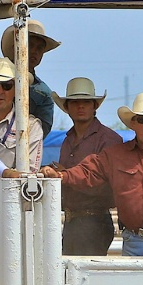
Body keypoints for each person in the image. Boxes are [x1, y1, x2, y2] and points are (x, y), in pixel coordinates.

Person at [43, 92, 143, 257]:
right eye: (142, 120)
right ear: (133, 123)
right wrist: (62, 175)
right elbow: (88, 171)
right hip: (133, 241)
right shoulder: (114, 155)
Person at [51, 77, 122, 256]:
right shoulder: (68, 140)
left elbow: (101, 181)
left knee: (82, 276)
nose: (80, 106)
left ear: (94, 106)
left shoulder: (109, 139)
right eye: (75, 102)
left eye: (85, 102)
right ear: (67, 108)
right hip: (73, 219)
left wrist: (64, 175)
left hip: (94, 219)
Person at [0, 57, 42, 254]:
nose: (0, 91)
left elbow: (27, 178)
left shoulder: (31, 127)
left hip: (6, 221)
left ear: (17, 89)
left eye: (7, 85)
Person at [1, 19, 60, 136]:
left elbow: (41, 132)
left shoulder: (44, 93)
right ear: (15, 46)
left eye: (39, 48)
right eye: (29, 45)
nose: (34, 51)